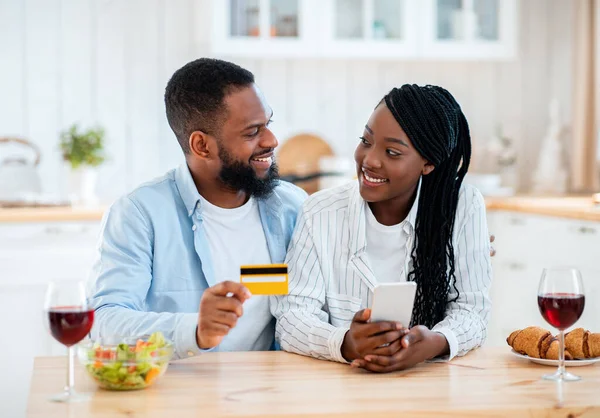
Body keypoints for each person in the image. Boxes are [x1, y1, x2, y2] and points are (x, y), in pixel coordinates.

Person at [89, 58, 306, 359]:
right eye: (252, 132)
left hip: (271, 392)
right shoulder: (139, 214)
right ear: (202, 146)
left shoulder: (292, 208)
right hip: (179, 396)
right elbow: (104, 322)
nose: (272, 140)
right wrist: (195, 331)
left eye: (267, 124)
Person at [271, 84, 493, 373]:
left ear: (428, 163)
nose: (370, 160)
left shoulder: (462, 206)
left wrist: (437, 341)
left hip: (429, 387)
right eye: (366, 140)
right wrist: (344, 344)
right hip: (337, 389)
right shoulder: (320, 212)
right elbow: (292, 317)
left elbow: (473, 310)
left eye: (391, 152)